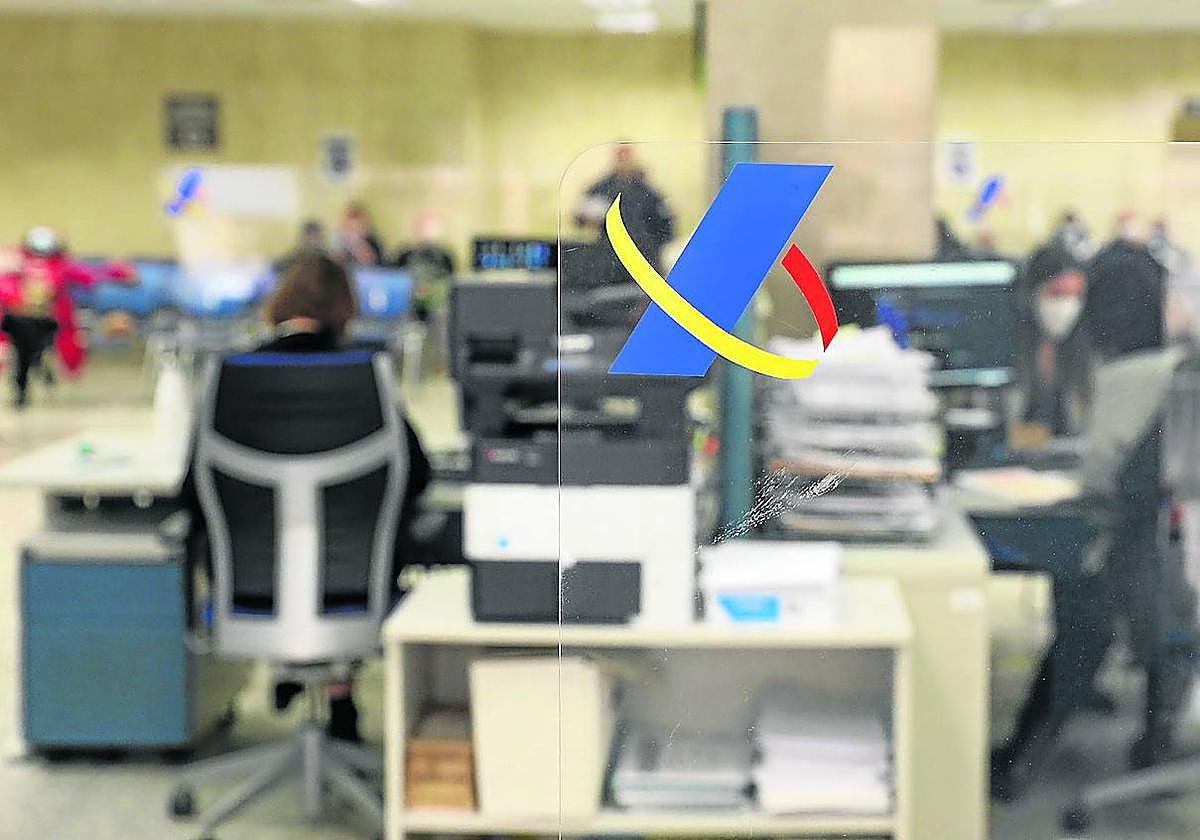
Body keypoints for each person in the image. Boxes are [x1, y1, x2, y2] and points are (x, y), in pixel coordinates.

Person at [181, 252, 431, 742]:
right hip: (356, 592)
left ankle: (298, 673)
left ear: (279, 303)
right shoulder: (364, 376)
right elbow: (416, 476)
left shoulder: (230, 378)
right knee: (366, 540)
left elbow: (191, 495)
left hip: (250, 595)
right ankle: (338, 691)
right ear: (345, 309)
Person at [992, 247, 1194, 800]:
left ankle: (1021, 755)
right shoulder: (1181, 369)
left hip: (1155, 562)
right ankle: (1157, 738)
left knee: (1088, 603)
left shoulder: (1130, 378)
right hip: (1179, 563)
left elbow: (1102, 478)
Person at [0, 226, 135, 408]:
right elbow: (5, 289)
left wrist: (118, 271)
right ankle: (27, 387)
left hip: (53, 323)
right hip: (19, 324)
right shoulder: (15, 264)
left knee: (57, 353)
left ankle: (41, 375)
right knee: (22, 353)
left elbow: (90, 275)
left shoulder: (62, 266)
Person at [1020, 242, 1090, 436]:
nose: (1067, 305)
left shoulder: (1088, 354)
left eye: (1075, 295)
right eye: (1057, 293)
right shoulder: (1011, 350)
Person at [575, 143, 675, 274]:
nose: (623, 159)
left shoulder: (648, 191)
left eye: (626, 155)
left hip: (643, 256)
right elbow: (580, 217)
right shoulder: (602, 188)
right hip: (609, 256)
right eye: (620, 155)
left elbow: (666, 226)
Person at [337, 202, 385, 267]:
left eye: (358, 226)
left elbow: (373, 262)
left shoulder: (372, 241)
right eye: (351, 227)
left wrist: (360, 245)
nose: (354, 230)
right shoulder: (341, 242)